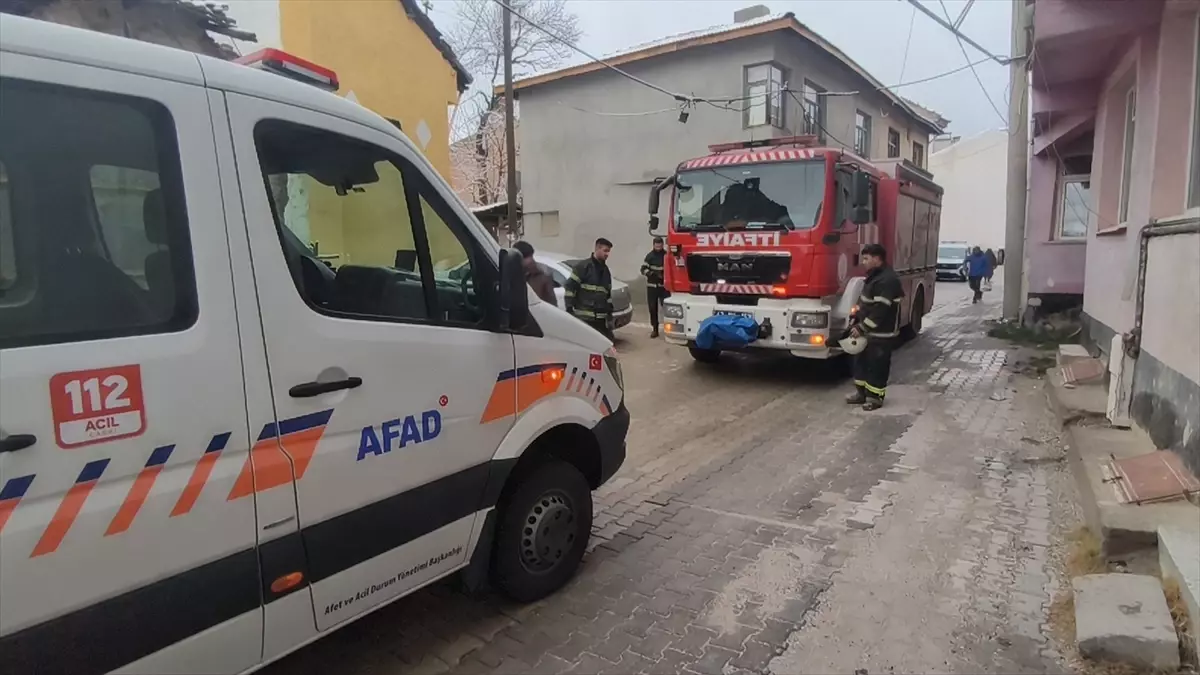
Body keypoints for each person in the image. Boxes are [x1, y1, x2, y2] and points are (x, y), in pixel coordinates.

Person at [845, 243, 903, 411]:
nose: (863, 262)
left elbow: (880, 311)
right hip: (869, 331)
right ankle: (861, 394)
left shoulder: (887, 280)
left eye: (866, 258)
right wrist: (855, 318)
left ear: (877, 259)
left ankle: (875, 398)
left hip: (882, 333)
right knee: (861, 362)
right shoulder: (874, 277)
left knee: (877, 366)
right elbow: (865, 303)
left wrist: (862, 328)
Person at [564, 237, 614, 339]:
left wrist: (609, 314)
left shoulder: (606, 271)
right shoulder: (582, 267)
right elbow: (570, 288)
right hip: (584, 318)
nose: (607, 254)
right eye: (605, 251)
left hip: (600, 319)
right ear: (597, 249)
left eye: (609, 251)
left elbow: (607, 294)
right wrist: (569, 308)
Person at [513, 240, 556, 307]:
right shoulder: (510, 276)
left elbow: (552, 304)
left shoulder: (542, 277)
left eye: (530, 256)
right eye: (526, 257)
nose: (530, 260)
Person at [641, 237, 668, 338]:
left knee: (667, 308)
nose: (658, 247)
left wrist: (664, 276)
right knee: (652, 308)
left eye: (660, 245)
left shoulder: (666, 256)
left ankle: (669, 328)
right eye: (657, 245)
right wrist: (652, 274)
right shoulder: (649, 256)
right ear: (653, 245)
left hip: (664, 287)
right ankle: (655, 329)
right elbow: (643, 269)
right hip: (652, 287)